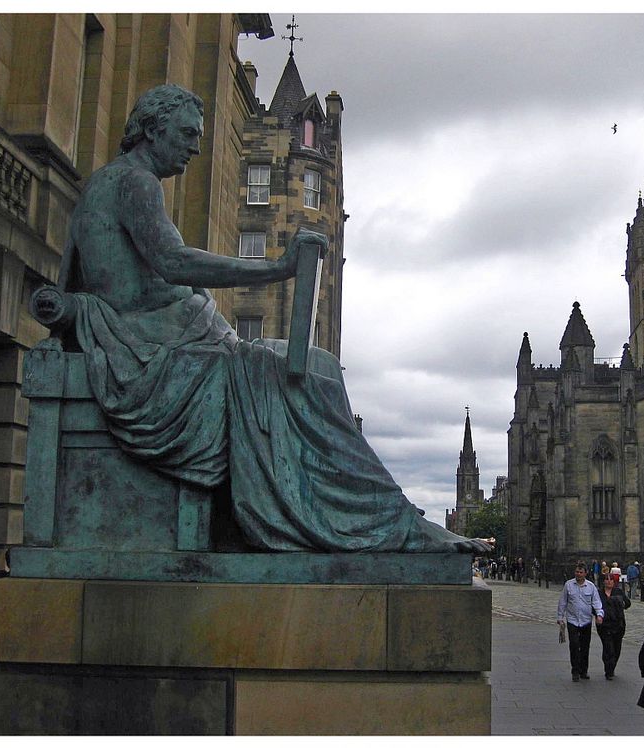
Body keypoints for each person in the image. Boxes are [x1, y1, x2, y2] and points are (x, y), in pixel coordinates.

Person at [59, 84, 489, 556]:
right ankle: (382, 523)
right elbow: (173, 263)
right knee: (309, 378)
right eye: (186, 134)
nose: (195, 147)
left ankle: (391, 517)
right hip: (150, 352)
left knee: (317, 367)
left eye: (198, 136)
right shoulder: (131, 181)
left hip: (170, 341)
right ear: (151, 129)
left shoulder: (115, 183)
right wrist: (277, 269)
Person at [557, 562, 604, 681]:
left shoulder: (591, 586)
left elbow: (596, 602)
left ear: (585, 573)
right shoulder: (568, 585)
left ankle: (584, 670)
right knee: (574, 645)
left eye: (580, 572)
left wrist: (599, 614)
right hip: (572, 620)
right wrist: (560, 617)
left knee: (584, 646)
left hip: (586, 620)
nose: (578, 574)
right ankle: (575, 671)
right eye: (577, 572)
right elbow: (563, 602)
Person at [597, 572, 631, 679]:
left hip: (618, 624)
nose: (609, 581)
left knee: (617, 648)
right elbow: (594, 606)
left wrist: (622, 604)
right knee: (608, 647)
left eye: (611, 579)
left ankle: (612, 666)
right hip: (604, 625)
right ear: (603, 581)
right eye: (606, 579)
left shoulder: (618, 592)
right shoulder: (599, 593)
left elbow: (628, 603)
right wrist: (597, 615)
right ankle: (609, 670)